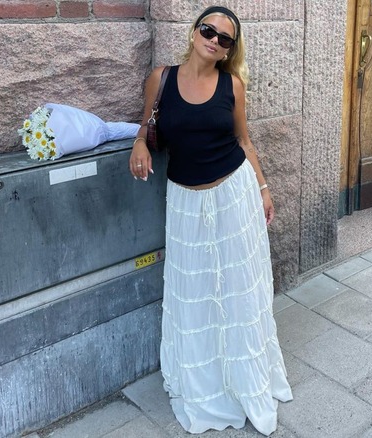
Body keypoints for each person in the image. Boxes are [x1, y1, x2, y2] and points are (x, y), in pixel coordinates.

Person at [128, 5, 293, 435]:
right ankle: (206, 381)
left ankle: (242, 378)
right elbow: (147, 124)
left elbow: (244, 140)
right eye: (209, 30)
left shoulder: (233, 85)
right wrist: (139, 145)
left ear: (229, 50)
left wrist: (263, 187)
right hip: (184, 201)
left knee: (238, 288)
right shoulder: (160, 79)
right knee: (194, 288)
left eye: (226, 39)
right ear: (194, 31)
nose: (215, 40)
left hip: (234, 194)